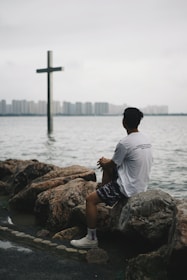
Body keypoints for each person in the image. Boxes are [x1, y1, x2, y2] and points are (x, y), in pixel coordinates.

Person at [70, 107, 153, 249]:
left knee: (90, 200)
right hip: (141, 185)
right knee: (107, 164)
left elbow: (112, 165)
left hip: (127, 188)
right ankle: (104, 195)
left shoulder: (125, 143)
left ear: (124, 122)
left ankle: (91, 238)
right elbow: (117, 163)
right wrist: (107, 162)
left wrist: (103, 162)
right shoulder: (146, 139)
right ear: (138, 122)